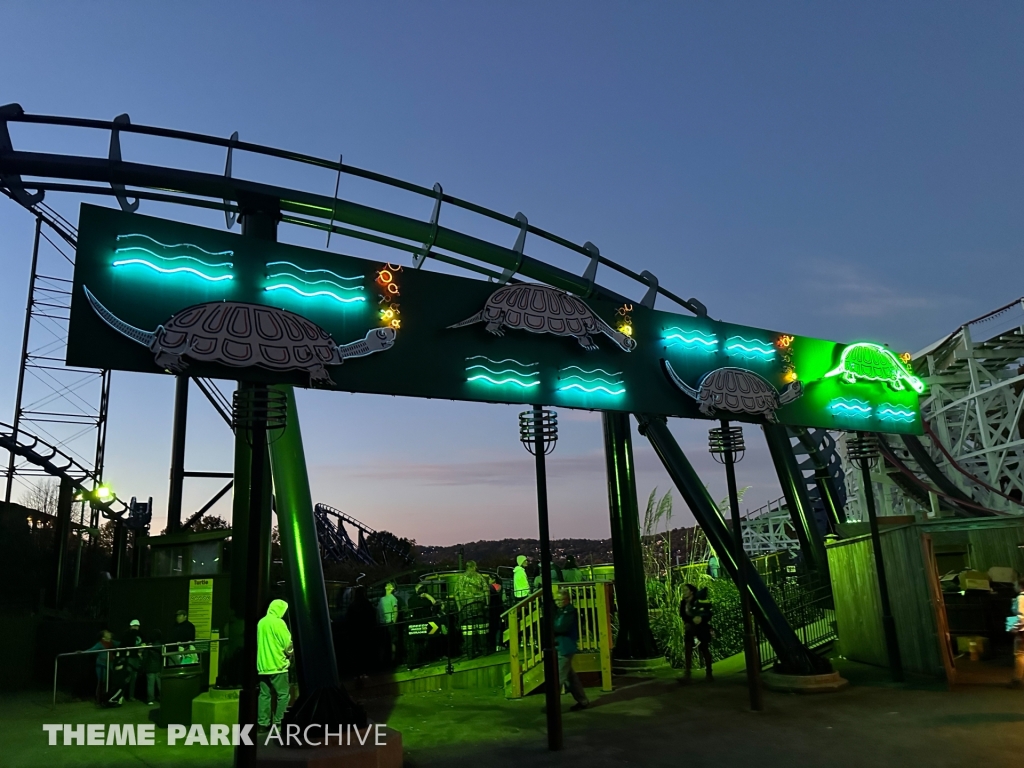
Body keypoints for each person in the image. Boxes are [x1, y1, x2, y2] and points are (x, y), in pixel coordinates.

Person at [257, 599, 293, 731]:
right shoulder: (279, 623)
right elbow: (287, 644)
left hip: (263, 666)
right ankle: (279, 722)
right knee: (283, 695)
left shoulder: (261, 623)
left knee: (264, 695)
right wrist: (291, 653)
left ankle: (262, 723)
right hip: (278, 665)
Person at [553, 589, 590, 711]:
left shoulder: (569, 611)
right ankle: (582, 700)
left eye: (560, 600)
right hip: (564, 646)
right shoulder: (562, 611)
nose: (558, 602)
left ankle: (554, 707)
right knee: (570, 678)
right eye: (556, 600)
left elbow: (561, 627)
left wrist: (551, 626)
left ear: (567, 600)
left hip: (565, 647)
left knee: (558, 677)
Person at [454, 561, 491, 659]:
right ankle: (484, 651)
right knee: (481, 629)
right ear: (474, 567)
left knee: (468, 631)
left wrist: (459, 607)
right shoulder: (479, 577)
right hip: (479, 606)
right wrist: (487, 604)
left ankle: (470, 654)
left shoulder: (460, 578)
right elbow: (486, 591)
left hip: (466, 608)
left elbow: (456, 594)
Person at [680, 584, 714, 682]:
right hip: (691, 628)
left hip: (701, 628)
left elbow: (708, 613)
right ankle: (687, 673)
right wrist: (691, 619)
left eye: (686, 590)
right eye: (683, 590)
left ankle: (709, 673)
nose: (684, 592)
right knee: (688, 649)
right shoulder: (683, 603)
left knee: (704, 649)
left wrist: (701, 618)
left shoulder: (699, 600)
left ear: (691, 591)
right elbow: (683, 615)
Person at [406, 583, 438, 668]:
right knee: (418, 644)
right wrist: (426, 596)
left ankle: (421, 661)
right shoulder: (414, 599)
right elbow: (432, 602)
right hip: (419, 623)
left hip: (423, 623)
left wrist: (426, 596)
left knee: (422, 643)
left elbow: (433, 602)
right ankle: (416, 662)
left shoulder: (421, 599)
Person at [84, 629, 116, 702]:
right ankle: (99, 698)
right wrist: (82, 652)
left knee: (110, 681)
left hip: (110, 664)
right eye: (106, 633)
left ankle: (107, 698)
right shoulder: (100, 644)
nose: (109, 633)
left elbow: (122, 644)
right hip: (101, 665)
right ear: (103, 638)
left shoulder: (112, 642)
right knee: (102, 681)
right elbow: (91, 650)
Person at [120, 619, 144, 701]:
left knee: (130, 677)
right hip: (131, 657)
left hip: (132, 657)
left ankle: (125, 695)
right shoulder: (136, 634)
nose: (136, 628)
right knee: (130, 677)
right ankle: (126, 695)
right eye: (135, 626)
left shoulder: (129, 633)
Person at [377, 582, 400, 666]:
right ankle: (384, 661)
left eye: (389, 585)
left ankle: (392, 660)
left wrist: (393, 622)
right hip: (383, 623)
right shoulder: (381, 599)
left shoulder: (392, 598)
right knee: (384, 642)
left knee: (391, 641)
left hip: (389, 622)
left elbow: (395, 610)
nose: (387, 585)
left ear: (392, 588)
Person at [1009, 578, 1024, 688]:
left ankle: (1017, 679)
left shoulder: (1021, 598)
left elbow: (1020, 617)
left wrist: (1014, 628)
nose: (1014, 587)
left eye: (1015, 584)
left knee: (1019, 654)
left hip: (1022, 631)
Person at [142, 628, 163, 706]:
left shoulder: (149, 646)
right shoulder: (161, 646)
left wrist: (143, 667)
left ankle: (150, 700)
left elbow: (145, 657)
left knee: (150, 685)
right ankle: (162, 697)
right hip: (158, 667)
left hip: (149, 667)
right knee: (160, 684)